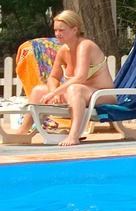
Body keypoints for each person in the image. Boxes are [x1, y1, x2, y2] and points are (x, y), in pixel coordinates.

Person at [18, 10, 116, 147]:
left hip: (101, 94)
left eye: (61, 30)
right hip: (78, 94)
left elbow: (80, 77)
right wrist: (53, 90)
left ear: (75, 29)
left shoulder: (85, 46)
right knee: (38, 90)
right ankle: (22, 132)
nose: (57, 34)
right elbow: (53, 76)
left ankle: (74, 135)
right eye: (55, 30)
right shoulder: (64, 50)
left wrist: (55, 93)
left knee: (75, 89)